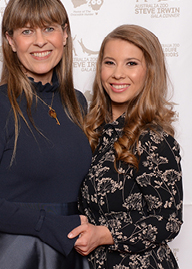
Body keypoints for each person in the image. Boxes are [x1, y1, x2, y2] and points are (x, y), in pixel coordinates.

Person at [0, 0, 91, 269]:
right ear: (11, 40)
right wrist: (46, 224)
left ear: (65, 34)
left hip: (71, 254)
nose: (40, 41)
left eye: (49, 28)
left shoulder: (77, 103)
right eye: (27, 31)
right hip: (16, 255)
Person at [69, 24, 183, 269]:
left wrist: (103, 234)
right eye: (110, 62)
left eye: (131, 63)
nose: (117, 74)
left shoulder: (153, 139)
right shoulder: (91, 133)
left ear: (149, 71)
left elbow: (168, 221)